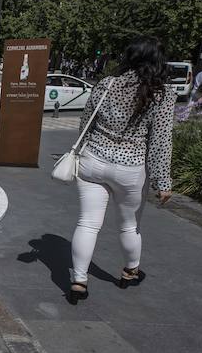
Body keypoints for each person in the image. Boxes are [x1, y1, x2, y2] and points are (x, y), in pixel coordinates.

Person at [68, 36, 175, 304]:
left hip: (94, 160)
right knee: (129, 226)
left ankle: (79, 280)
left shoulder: (106, 84)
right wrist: (163, 180)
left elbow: (86, 123)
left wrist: (82, 150)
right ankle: (130, 271)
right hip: (131, 167)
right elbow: (161, 140)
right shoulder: (161, 94)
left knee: (88, 223)